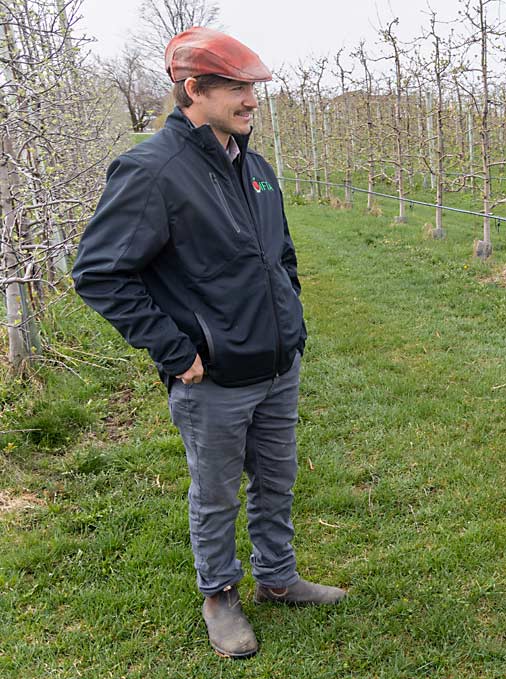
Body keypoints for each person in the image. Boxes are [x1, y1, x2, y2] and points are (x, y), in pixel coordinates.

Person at [72, 27, 346, 659]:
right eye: (238, 88)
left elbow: (280, 252)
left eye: (253, 87)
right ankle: (220, 594)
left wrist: (290, 312)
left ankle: (278, 577)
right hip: (213, 380)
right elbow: (99, 273)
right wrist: (176, 351)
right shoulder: (152, 172)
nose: (252, 100)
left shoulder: (255, 167)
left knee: (277, 480)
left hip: (278, 366)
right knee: (217, 491)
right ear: (194, 89)